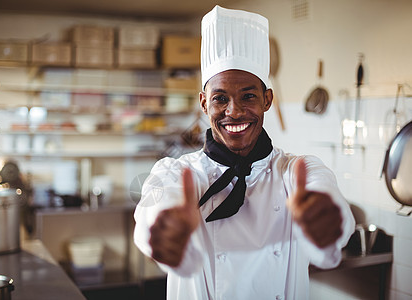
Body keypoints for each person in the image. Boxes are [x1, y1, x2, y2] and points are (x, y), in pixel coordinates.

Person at [134, 5, 355, 300]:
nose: (234, 111)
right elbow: (152, 212)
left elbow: (331, 207)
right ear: (203, 104)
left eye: (248, 96)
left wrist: (328, 224)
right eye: (220, 98)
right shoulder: (176, 174)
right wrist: (165, 230)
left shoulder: (298, 172)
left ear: (267, 99)